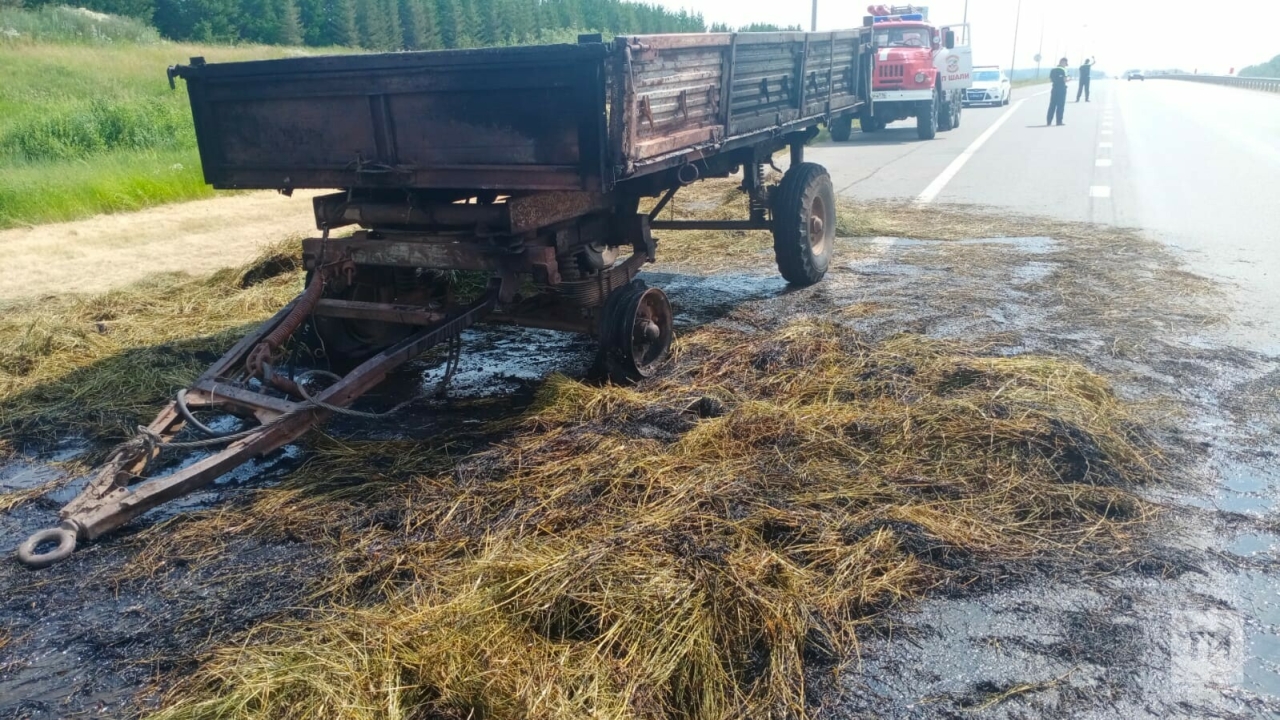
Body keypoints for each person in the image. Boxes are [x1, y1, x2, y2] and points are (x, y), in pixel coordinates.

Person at [1047, 57, 1069, 126]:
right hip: (1061, 88)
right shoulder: (1064, 70)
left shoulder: (1053, 70)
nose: (1066, 65)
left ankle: (1049, 121)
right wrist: (1069, 80)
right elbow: (1065, 80)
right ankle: (1059, 121)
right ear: (1063, 62)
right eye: (1065, 63)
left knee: (1052, 105)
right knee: (1060, 105)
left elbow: (1050, 80)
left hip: (1054, 88)